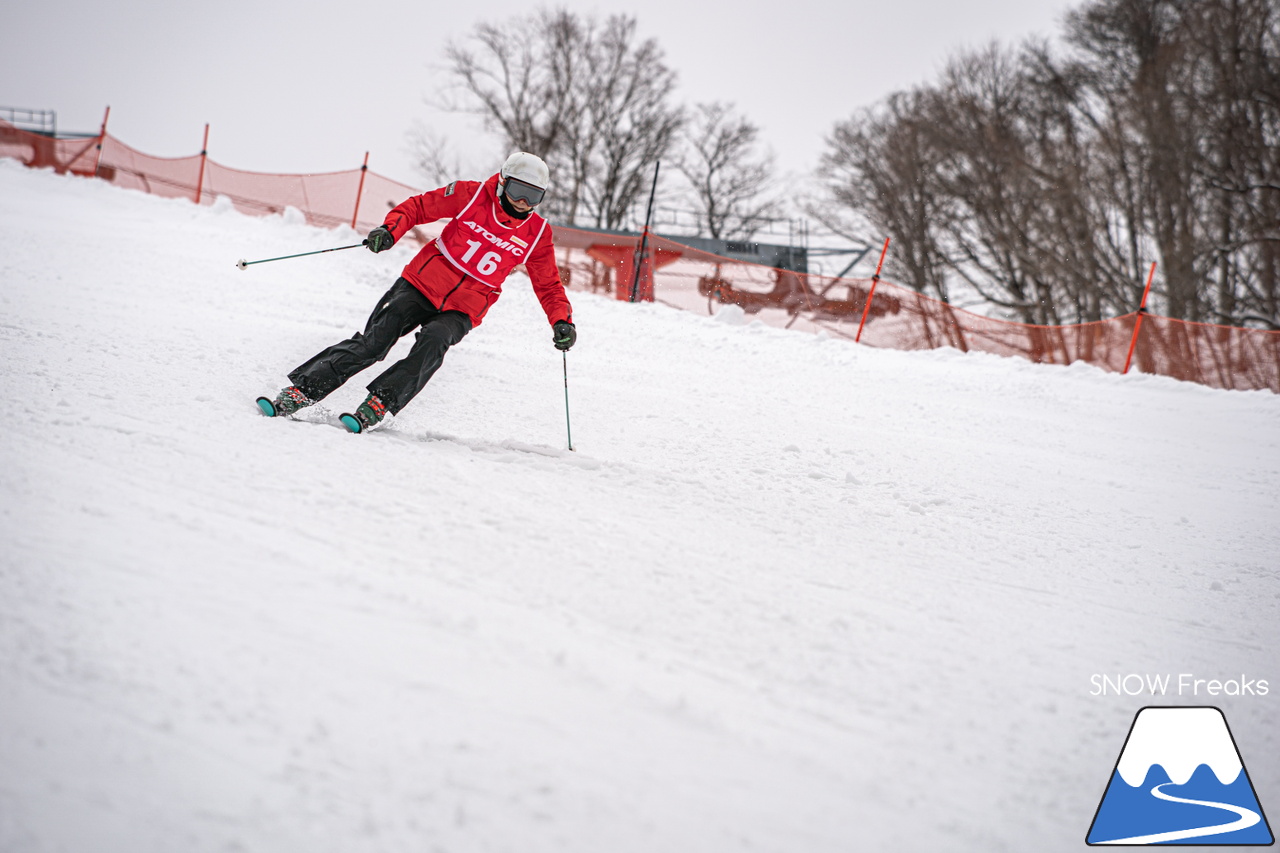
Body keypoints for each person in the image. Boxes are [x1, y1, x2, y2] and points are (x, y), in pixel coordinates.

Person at [256, 152, 576, 433]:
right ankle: (302, 391)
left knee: (433, 343)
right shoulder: (470, 195)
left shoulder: (537, 235)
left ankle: (381, 402)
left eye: (533, 197)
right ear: (503, 183)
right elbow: (418, 208)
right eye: (518, 191)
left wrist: (562, 321)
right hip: (422, 284)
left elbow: (547, 284)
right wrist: (390, 229)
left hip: (464, 307)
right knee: (374, 343)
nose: (523, 203)